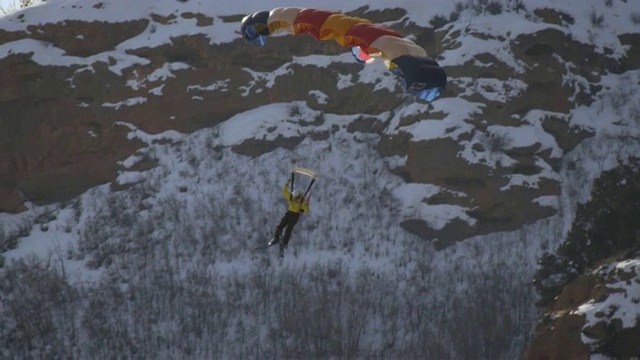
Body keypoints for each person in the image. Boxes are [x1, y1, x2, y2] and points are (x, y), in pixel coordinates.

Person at [269, 179, 310, 255]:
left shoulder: (302, 200)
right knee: (280, 225)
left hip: (295, 215)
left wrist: (305, 204)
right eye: (294, 197)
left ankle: (285, 242)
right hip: (289, 213)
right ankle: (275, 237)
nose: (295, 199)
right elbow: (284, 190)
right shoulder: (291, 197)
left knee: (289, 229)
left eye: (296, 197)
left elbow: (306, 210)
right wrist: (287, 183)